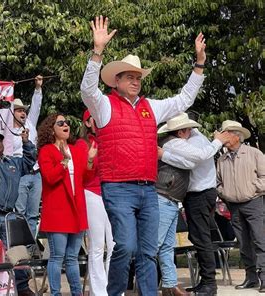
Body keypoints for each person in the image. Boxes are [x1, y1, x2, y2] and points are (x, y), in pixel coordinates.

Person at [80, 15, 206, 295]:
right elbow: (87, 90)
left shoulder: (152, 107)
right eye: (130, 77)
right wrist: (97, 51)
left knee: (148, 252)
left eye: (138, 77)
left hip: (149, 189)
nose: (136, 81)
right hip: (118, 187)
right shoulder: (104, 106)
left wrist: (199, 65)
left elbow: (184, 99)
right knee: (125, 246)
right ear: (116, 81)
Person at [156, 113, 230, 296]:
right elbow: (197, 157)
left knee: (201, 237)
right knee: (199, 237)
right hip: (200, 193)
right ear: (181, 131)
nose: (190, 131)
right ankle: (206, 281)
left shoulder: (176, 142)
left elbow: (195, 159)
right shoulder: (196, 137)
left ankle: (209, 283)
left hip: (199, 193)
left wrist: (164, 154)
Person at [0, 101, 37, 296]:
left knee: (17, 253)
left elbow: (30, 161)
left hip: (8, 214)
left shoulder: (13, 162)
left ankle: (22, 287)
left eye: (0, 140)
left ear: (4, 143)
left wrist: (27, 142)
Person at [38, 113, 96, 296]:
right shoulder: (46, 151)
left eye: (67, 122)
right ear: (51, 129)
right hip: (58, 212)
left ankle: (76, 293)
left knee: (72, 257)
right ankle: (56, 293)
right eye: (60, 123)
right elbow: (50, 177)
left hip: (76, 210)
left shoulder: (76, 149)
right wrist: (64, 160)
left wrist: (90, 159)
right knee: (57, 257)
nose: (66, 125)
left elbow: (85, 178)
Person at [216, 120, 265, 292]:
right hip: (234, 206)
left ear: (237, 136)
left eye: (226, 133)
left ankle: (264, 277)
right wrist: (225, 193)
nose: (223, 137)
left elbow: (264, 176)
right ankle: (251, 278)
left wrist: (253, 189)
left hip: (254, 202)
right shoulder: (221, 160)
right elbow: (217, 182)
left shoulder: (254, 153)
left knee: (260, 240)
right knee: (243, 243)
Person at [75, 110, 114, 296]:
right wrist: (90, 158)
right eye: (95, 118)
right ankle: (99, 292)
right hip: (93, 193)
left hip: (112, 194)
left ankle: (114, 288)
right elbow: (83, 175)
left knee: (115, 244)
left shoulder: (109, 140)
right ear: (88, 123)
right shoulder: (82, 144)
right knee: (97, 246)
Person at [14, 75, 43, 236]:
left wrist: (38, 88)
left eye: (24, 110)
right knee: (19, 212)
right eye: (19, 110)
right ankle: (20, 248)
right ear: (12, 113)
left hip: (36, 173)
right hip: (20, 173)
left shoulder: (30, 123)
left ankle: (30, 250)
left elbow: (37, 106)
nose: (23, 113)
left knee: (33, 215)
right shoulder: (8, 131)